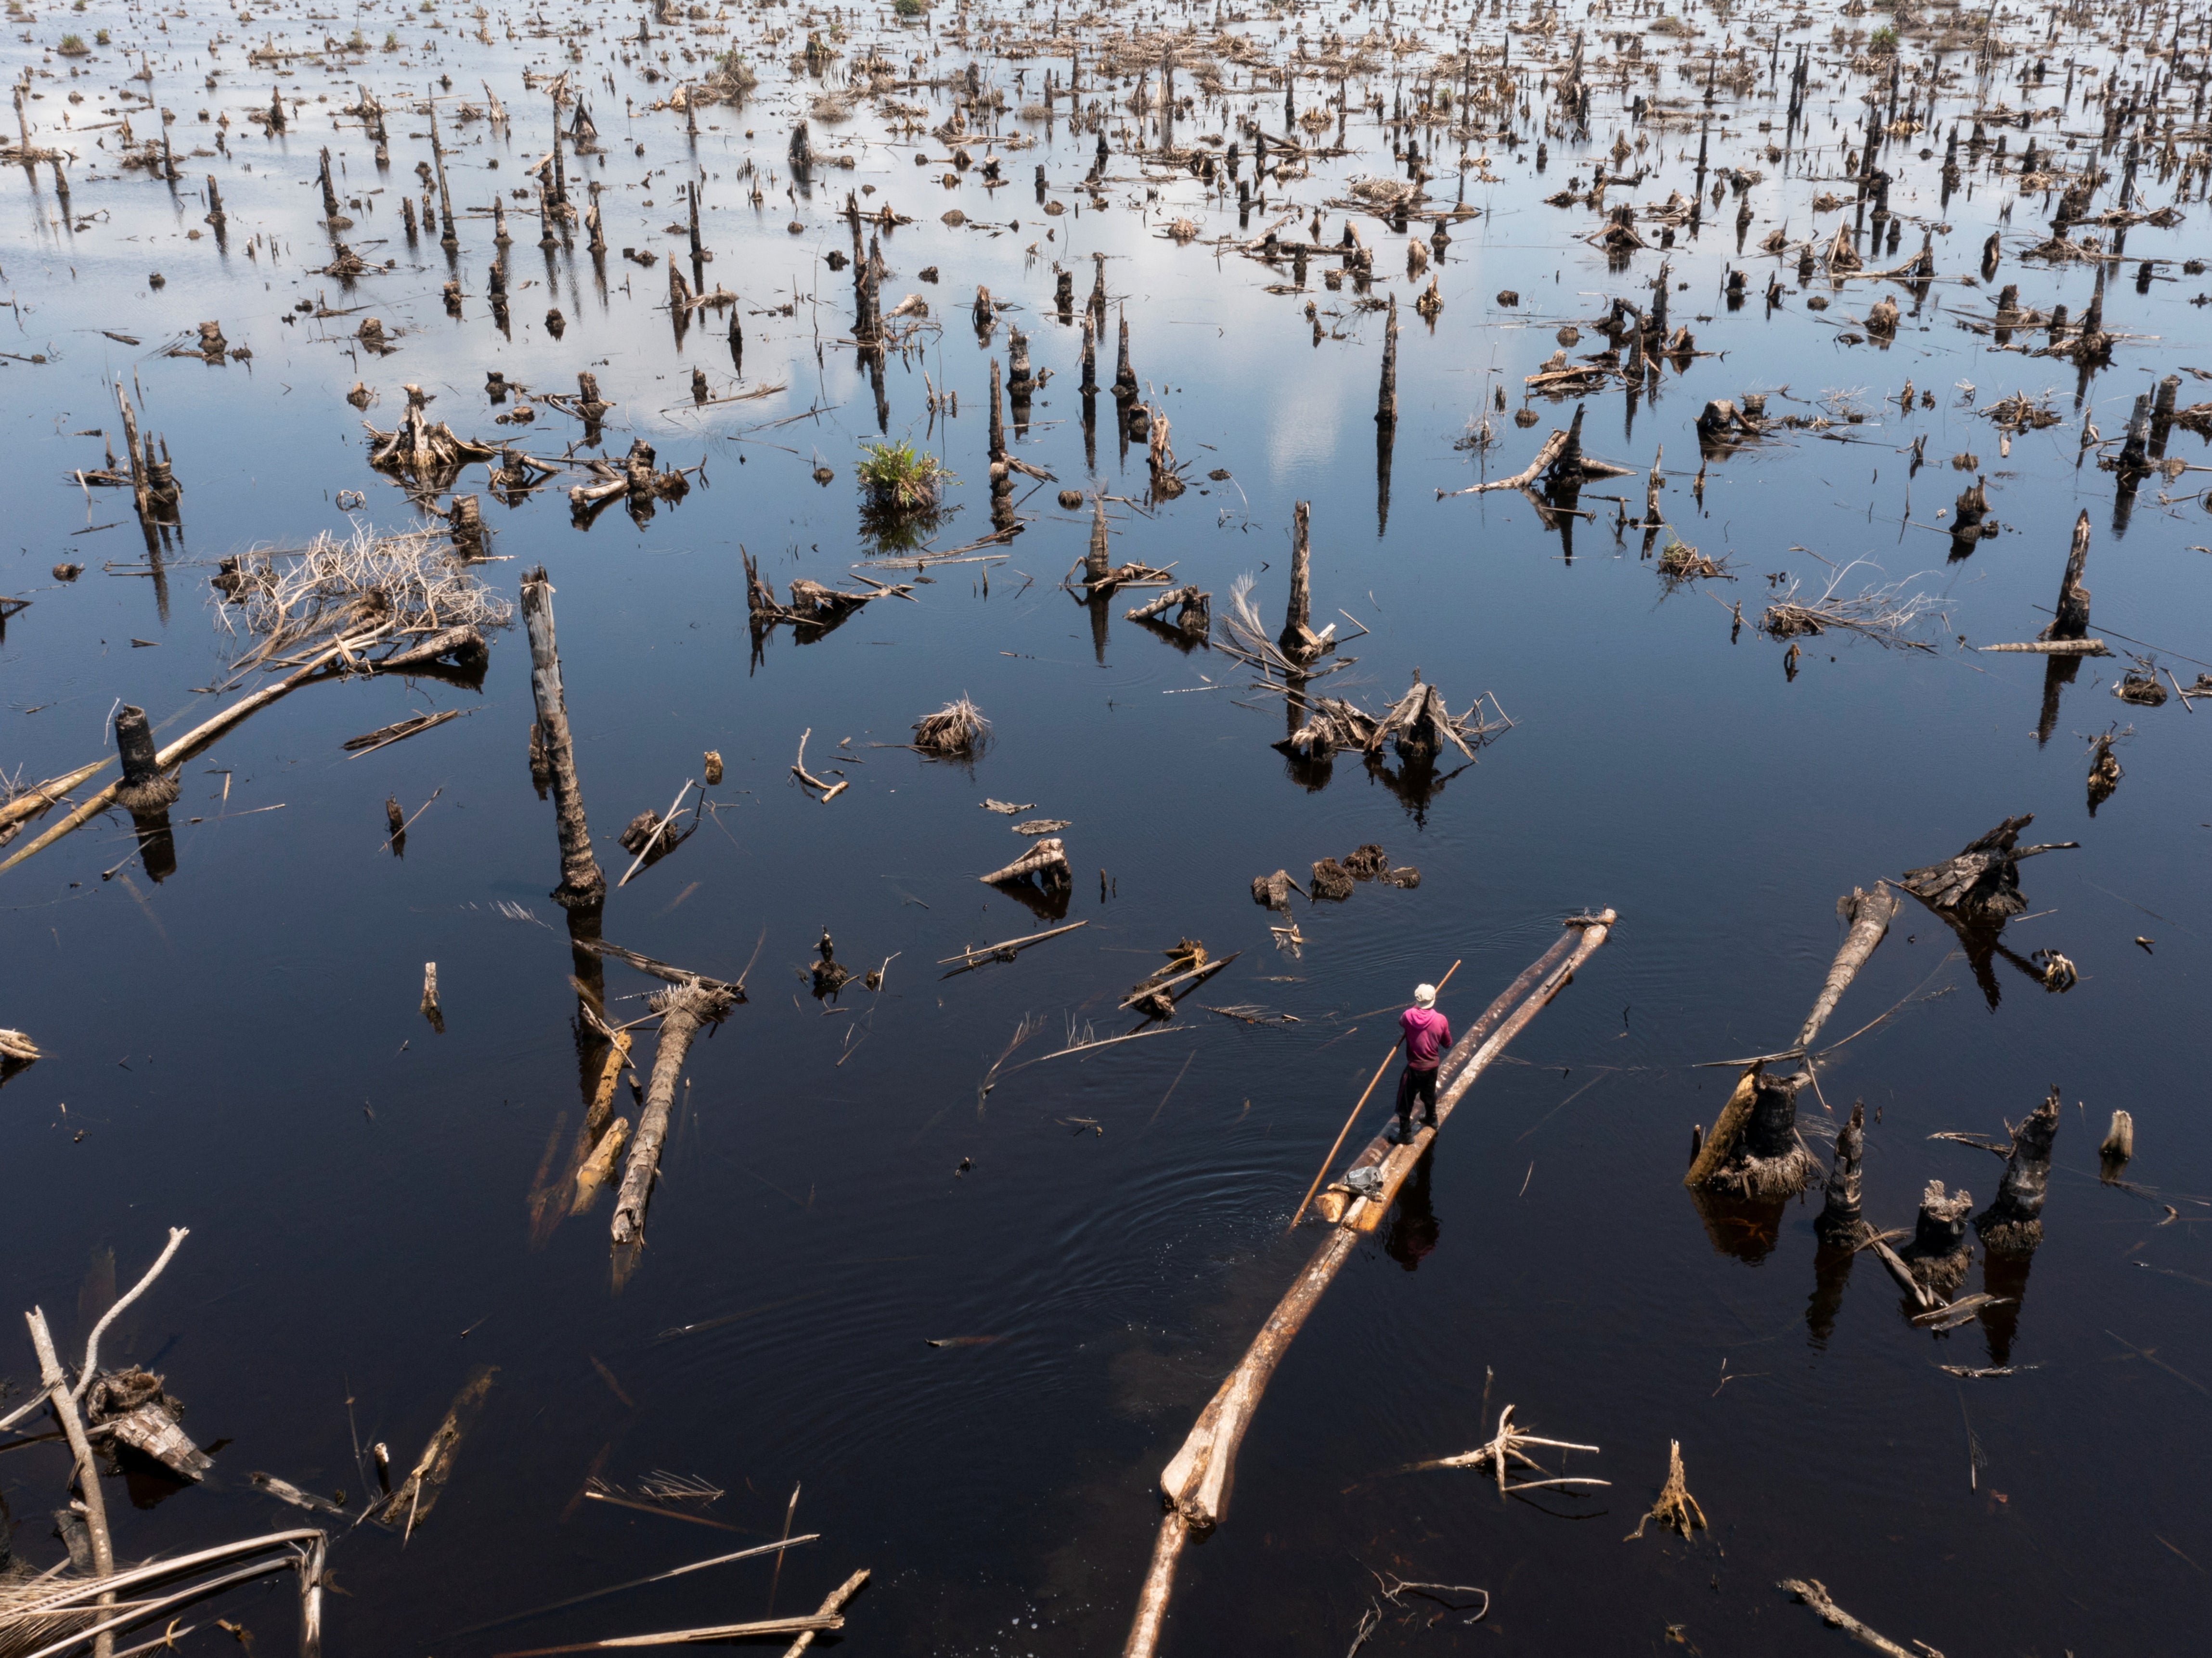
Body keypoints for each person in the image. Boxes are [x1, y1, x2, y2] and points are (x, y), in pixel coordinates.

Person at [1394, 982, 1451, 1142]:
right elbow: (1447, 1044)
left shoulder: (1408, 1016)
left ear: (1417, 999)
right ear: (1433, 999)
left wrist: (1414, 1011)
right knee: (1429, 1093)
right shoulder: (1441, 1020)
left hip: (1414, 1067)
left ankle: (1405, 1134)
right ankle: (1432, 1119)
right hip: (1432, 1066)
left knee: (1405, 1099)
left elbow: (1401, 1022)